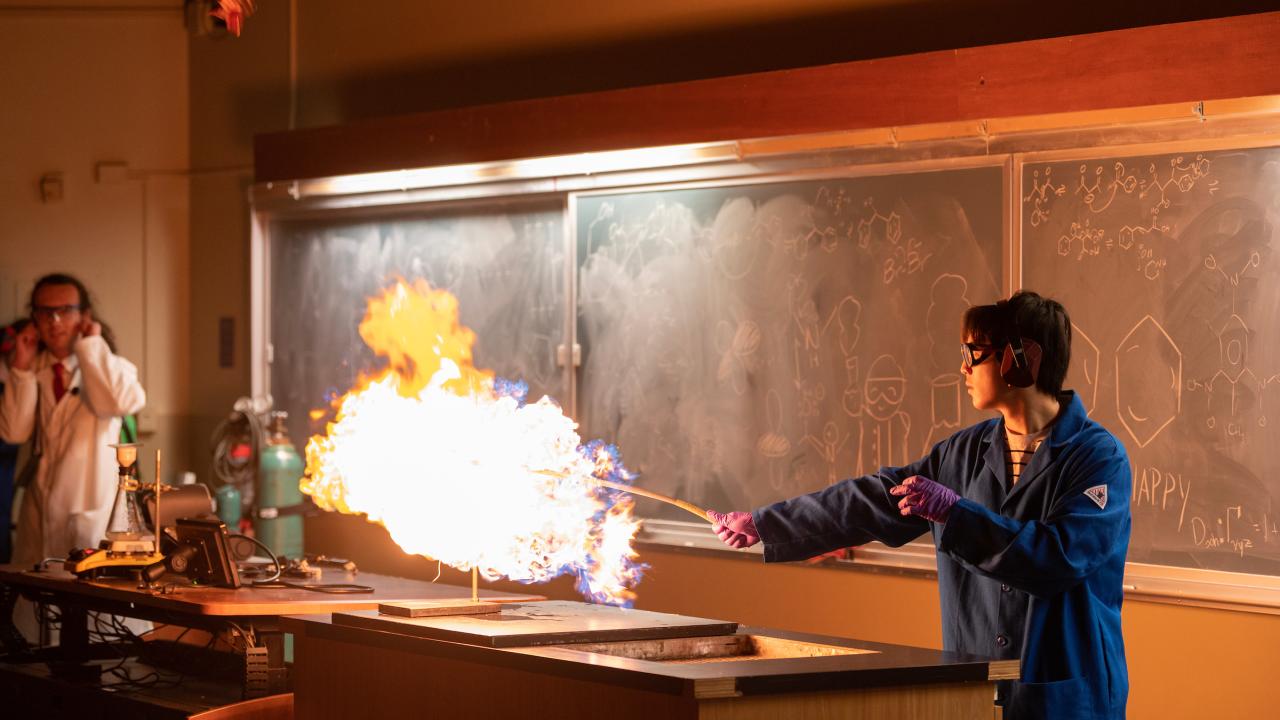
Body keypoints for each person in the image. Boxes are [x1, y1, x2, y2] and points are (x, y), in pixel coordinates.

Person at [709, 290, 1130, 720]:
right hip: (976, 693)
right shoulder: (964, 453)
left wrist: (957, 515)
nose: (963, 367)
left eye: (974, 352)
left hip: (1066, 699)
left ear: (1019, 360)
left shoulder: (1097, 459)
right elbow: (872, 500)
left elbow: (1057, 557)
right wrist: (768, 525)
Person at [0, 274, 146, 568]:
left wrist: (92, 344)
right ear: (34, 318)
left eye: (65, 310)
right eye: (44, 312)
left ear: (84, 315)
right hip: (39, 512)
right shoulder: (31, 370)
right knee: (36, 605)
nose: (55, 320)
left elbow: (122, 402)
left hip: (93, 515)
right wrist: (21, 368)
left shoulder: (108, 365)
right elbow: (14, 432)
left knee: (94, 605)